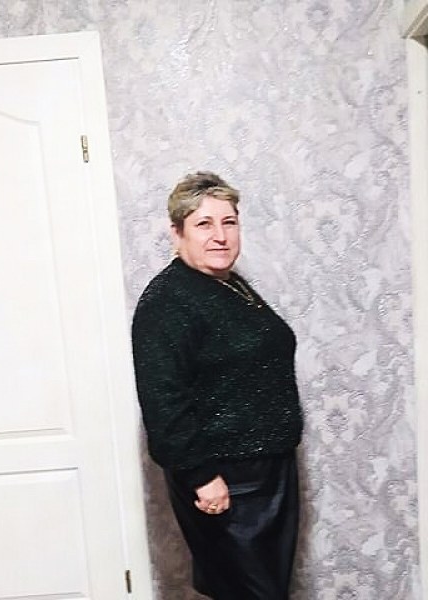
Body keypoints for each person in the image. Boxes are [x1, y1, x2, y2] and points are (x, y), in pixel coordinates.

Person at [131, 171, 304, 600]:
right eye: (204, 224)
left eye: (229, 222)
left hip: (267, 471)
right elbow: (163, 402)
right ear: (177, 232)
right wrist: (202, 476)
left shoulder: (226, 284)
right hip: (226, 478)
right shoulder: (167, 301)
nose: (220, 236)